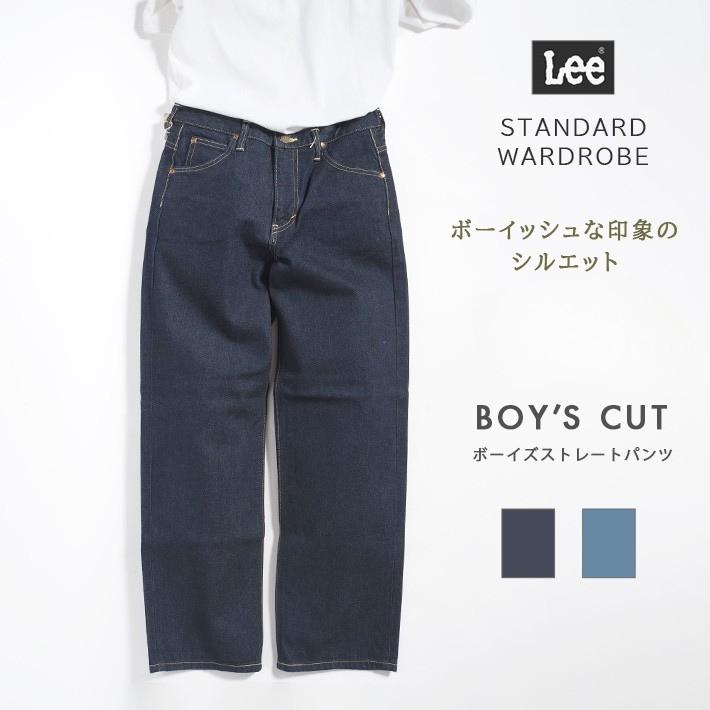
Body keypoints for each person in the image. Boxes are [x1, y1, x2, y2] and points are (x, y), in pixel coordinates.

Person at [139, 0, 474, 674]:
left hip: (229, 150)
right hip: (329, 154)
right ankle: (326, 640)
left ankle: (211, 644)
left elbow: (158, 19)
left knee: (200, 402)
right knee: (353, 402)